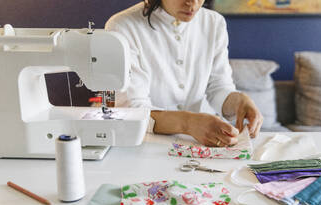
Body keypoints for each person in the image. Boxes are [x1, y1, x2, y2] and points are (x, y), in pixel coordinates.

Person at [105, 0, 263, 147]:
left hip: (207, 146)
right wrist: (187, 123)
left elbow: (219, 87)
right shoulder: (122, 26)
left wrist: (239, 101)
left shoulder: (214, 23)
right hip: (147, 145)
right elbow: (132, 110)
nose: (192, 3)